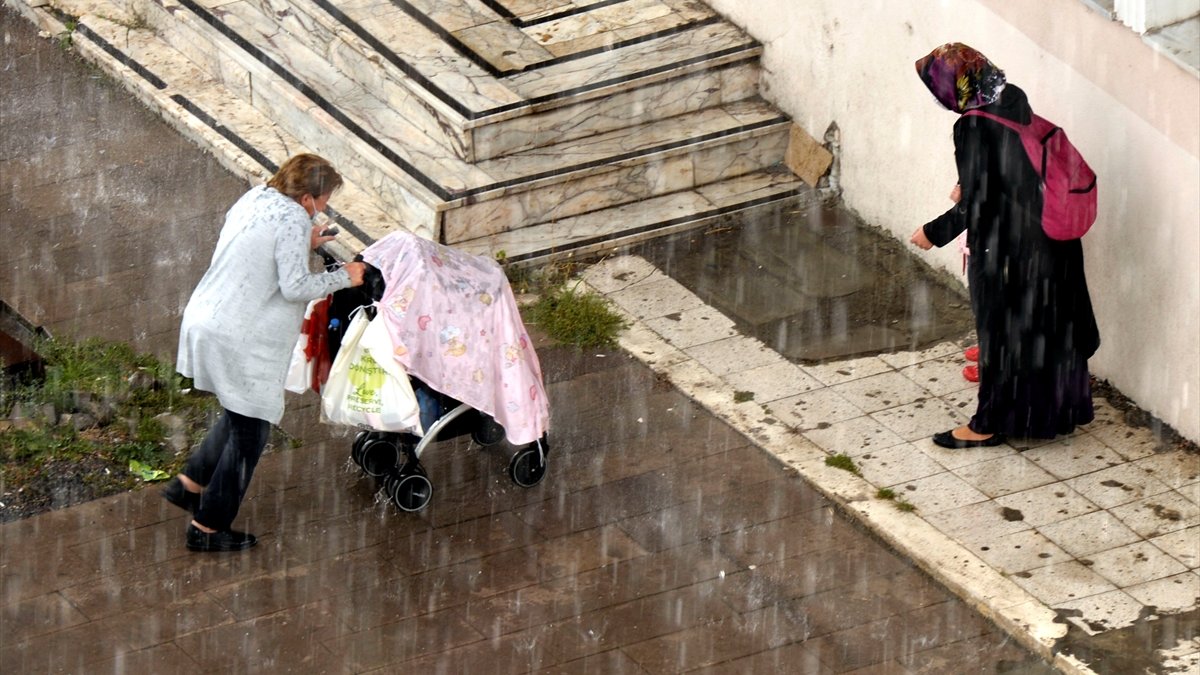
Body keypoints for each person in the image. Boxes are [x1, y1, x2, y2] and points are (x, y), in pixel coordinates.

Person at [162, 154, 366, 551]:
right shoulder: (293, 217)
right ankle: (206, 529)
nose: (323, 208)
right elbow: (294, 286)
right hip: (238, 335)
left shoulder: (256, 197)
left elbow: (257, 244)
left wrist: (304, 242)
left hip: (208, 316)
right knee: (251, 432)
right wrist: (346, 277)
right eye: (323, 200)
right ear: (307, 198)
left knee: (241, 413)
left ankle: (189, 485)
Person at [909, 43, 1100, 449]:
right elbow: (1011, 168)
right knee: (1047, 329)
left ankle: (988, 424)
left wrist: (933, 231)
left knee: (1002, 336)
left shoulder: (972, 125)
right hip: (1051, 240)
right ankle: (1062, 410)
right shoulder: (1010, 101)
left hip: (1010, 248)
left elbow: (981, 203)